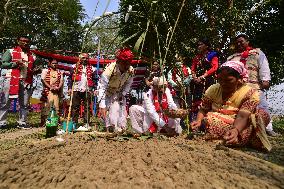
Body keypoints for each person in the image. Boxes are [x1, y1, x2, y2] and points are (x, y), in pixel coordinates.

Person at [191, 61, 272, 151]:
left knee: (261, 116)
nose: (223, 83)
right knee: (210, 118)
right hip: (223, 120)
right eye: (220, 80)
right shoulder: (213, 89)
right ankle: (244, 138)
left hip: (242, 122)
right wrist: (198, 121)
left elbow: (242, 116)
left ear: (240, 79)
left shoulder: (250, 93)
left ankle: (238, 137)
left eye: (228, 80)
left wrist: (236, 129)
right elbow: (203, 109)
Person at [227, 34, 279, 136]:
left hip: (255, 86)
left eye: (241, 41)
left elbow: (264, 67)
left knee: (262, 107)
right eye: (237, 43)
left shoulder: (257, 53)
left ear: (247, 41)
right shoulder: (232, 58)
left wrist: (265, 80)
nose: (239, 44)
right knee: (239, 110)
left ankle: (267, 128)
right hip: (239, 89)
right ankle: (241, 129)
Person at [0, 35, 38, 129]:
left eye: (27, 41)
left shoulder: (32, 56)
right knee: (6, 101)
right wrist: (15, 64)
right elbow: (3, 64)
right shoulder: (10, 51)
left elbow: (32, 69)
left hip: (25, 80)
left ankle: (22, 122)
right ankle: (2, 122)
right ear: (18, 41)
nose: (25, 43)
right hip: (11, 78)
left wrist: (36, 71)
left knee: (24, 103)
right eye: (23, 41)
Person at [97, 48, 134, 133]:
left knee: (118, 111)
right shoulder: (109, 69)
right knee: (105, 112)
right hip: (106, 92)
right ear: (118, 62)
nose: (126, 66)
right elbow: (102, 87)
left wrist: (123, 93)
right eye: (124, 64)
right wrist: (102, 105)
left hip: (118, 92)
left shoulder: (131, 70)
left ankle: (120, 128)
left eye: (128, 64)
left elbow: (129, 83)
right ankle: (109, 129)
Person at [190, 38, 219, 120]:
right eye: (198, 45)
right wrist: (194, 77)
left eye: (201, 44)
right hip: (197, 82)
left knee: (208, 99)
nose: (198, 46)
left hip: (208, 81)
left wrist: (203, 77)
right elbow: (193, 69)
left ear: (206, 46)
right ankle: (196, 122)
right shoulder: (197, 58)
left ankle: (208, 121)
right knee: (196, 99)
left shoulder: (212, 55)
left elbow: (215, 67)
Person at [68, 53, 96, 129]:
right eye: (83, 58)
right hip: (76, 89)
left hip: (88, 89)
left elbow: (95, 80)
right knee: (75, 107)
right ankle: (74, 123)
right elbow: (70, 79)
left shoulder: (93, 69)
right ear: (79, 58)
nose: (85, 59)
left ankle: (86, 123)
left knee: (87, 107)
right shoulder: (74, 67)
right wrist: (70, 88)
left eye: (87, 58)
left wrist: (95, 89)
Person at [40, 58, 64, 127]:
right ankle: (44, 123)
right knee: (46, 107)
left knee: (56, 107)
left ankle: (55, 122)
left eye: (56, 63)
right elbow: (43, 80)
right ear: (49, 64)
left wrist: (58, 87)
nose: (55, 64)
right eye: (53, 63)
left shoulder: (59, 72)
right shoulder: (45, 71)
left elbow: (61, 81)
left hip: (56, 92)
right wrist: (50, 87)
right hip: (47, 92)